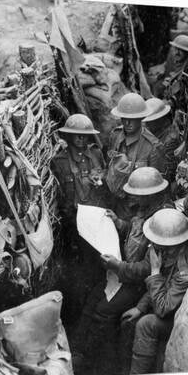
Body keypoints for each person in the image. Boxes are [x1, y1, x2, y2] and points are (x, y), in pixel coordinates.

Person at [71, 166, 173, 375]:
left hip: (140, 284)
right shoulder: (145, 209)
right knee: (93, 298)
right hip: (125, 272)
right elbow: (136, 231)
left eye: (137, 194)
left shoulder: (163, 219)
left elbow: (149, 268)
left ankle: (103, 365)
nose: (132, 197)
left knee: (104, 312)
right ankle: (79, 352)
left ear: (150, 194)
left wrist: (118, 267)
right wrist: (120, 223)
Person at [100, 208, 188, 375]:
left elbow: (163, 308)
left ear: (174, 244)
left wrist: (155, 271)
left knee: (146, 324)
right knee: (128, 322)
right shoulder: (163, 248)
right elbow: (160, 282)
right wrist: (141, 307)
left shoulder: (185, 268)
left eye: (160, 244)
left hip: (176, 315)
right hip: (162, 299)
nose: (155, 247)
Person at [51, 114, 111, 326]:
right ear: (68, 137)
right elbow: (60, 197)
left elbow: (105, 180)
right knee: (78, 273)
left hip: (97, 220)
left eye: (85, 136)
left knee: (99, 268)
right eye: (76, 135)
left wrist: (100, 180)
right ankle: (76, 316)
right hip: (74, 225)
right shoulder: (59, 162)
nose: (81, 140)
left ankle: (96, 313)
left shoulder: (96, 155)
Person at [107, 93, 166, 220]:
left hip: (138, 212)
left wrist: (142, 218)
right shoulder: (115, 136)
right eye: (124, 118)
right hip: (115, 205)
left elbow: (158, 190)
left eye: (132, 118)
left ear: (141, 118)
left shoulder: (153, 147)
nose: (127, 123)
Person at [143, 98, 182, 183]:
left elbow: (170, 172)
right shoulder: (157, 133)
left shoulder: (170, 140)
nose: (147, 124)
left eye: (150, 121)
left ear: (160, 119)